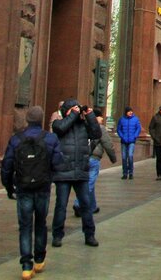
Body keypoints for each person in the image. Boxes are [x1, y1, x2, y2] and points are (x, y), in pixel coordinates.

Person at [1, 106, 65, 280]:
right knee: (41, 223)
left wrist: (8, 187)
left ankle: (26, 266)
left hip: (23, 188)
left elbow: (6, 165)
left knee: (25, 226)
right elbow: (58, 163)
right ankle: (39, 259)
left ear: (27, 120)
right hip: (43, 187)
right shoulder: (50, 139)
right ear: (42, 119)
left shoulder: (16, 139)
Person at [50, 99, 102, 248]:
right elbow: (61, 128)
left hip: (80, 171)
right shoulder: (58, 124)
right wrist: (72, 115)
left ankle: (89, 234)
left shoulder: (84, 126)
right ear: (67, 111)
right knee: (61, 205)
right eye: (73, 109)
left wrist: (90, 116)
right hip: (63, 172)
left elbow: (96, 133)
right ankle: (57, 235)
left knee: (85, 205)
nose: (77, 111)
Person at [74, 107, 116, 217]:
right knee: (89, 183)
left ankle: (92, 206)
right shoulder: (100, 128)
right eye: (101, 116)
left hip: (82, 157)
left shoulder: (81, 126)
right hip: (94, 158)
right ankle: (78, 203)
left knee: (89, 183)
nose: (102, 118)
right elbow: (107, 144)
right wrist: (113, 158)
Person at [116, 105, 142, 179]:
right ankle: (124, 173)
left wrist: (135, 136)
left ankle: (131, 172)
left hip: (132, 141)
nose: (130, 112)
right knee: (124, 157)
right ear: (126, 112)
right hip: (123, 141)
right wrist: (122, 136)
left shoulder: (135, 119)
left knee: (130, 156)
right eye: (129, 111)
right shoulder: (121, 119)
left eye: (131, 111)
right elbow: (119, 129)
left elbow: (138, 128)